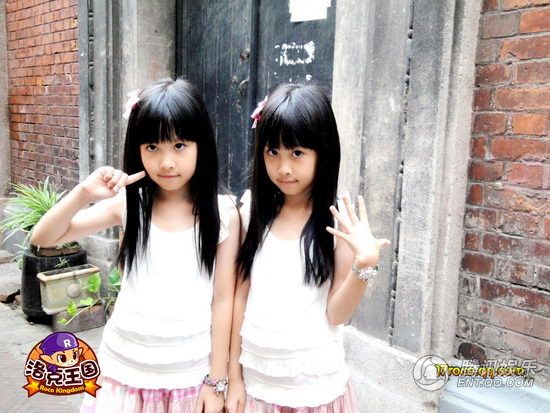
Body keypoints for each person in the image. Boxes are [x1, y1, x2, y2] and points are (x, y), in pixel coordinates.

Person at [31, 78, 240, 413]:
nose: (166, 162)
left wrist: (217, 380)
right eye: (152, 147)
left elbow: (224, 300)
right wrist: (83, 193)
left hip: (188, 373)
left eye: (180, 145)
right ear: (137, 148)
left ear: (201, 144)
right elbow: (43, 237)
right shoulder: (130, 204)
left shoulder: (223, 214)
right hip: (124, 369)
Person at [225, 84, 390, 413]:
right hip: (256, 387)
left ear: (323, 152)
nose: (283, 167)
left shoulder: (337, 225)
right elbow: (238, 297)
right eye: (273, 152)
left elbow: (336, 314)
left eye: (297, 153)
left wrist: (365, 265)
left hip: (314, 389)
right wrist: (233, 377)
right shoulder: (252, 213)